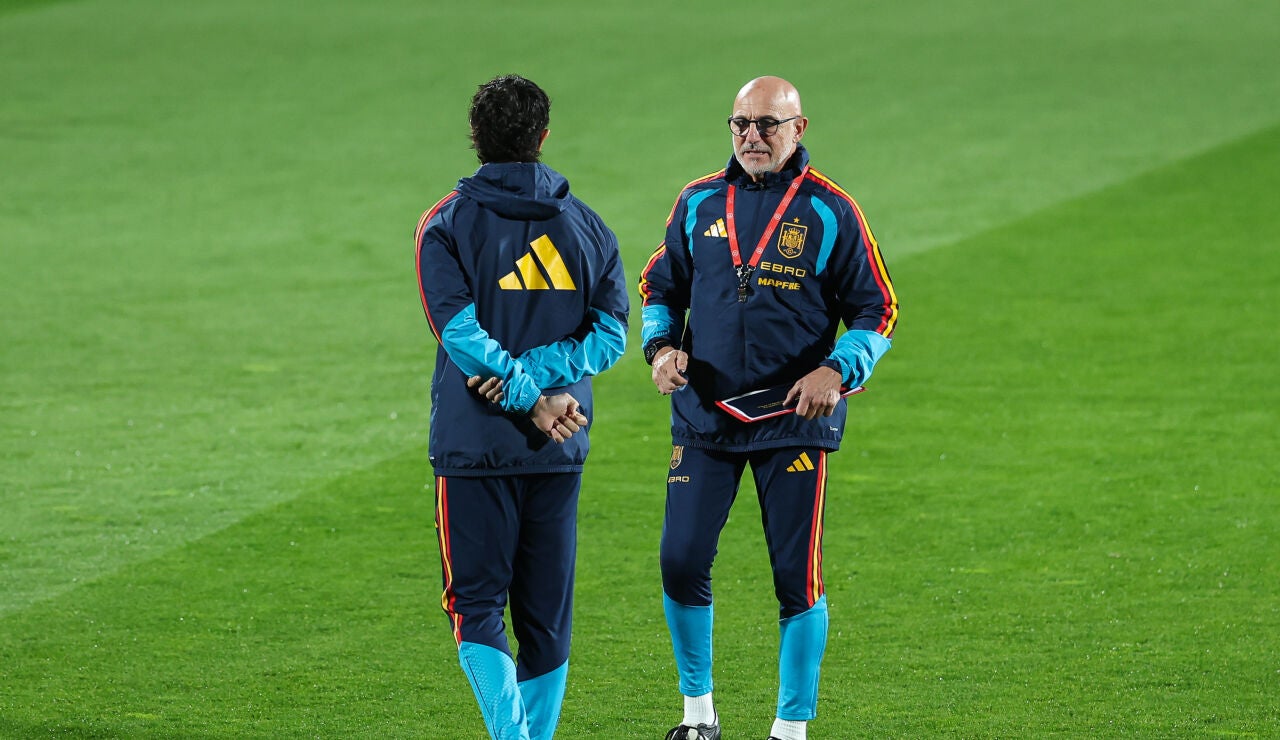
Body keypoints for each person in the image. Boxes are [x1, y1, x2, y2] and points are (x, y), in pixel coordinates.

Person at [638, 76, 899, 740]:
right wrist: (661, 349)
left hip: (793, 420)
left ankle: (790, 727)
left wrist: (838, 369)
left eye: (767, 125)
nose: (752, 137)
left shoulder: (830, 210)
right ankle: (699, 715)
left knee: (794, 573)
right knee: (681, 558)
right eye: (740, 124)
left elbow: (878, 310)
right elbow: (660, 285)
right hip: (706, 415)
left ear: (799, 128)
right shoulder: (698, 201)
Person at [415, 74, 629, 740]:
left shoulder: (444, 225)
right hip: (559, 444)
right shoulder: (586, 225)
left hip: (475, 446)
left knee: (475, 606)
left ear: (476, 139)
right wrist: (543, 384)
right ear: (542, 138)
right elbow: (613, 333)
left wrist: (521, 388)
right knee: (545, 620)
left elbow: (459, 333)